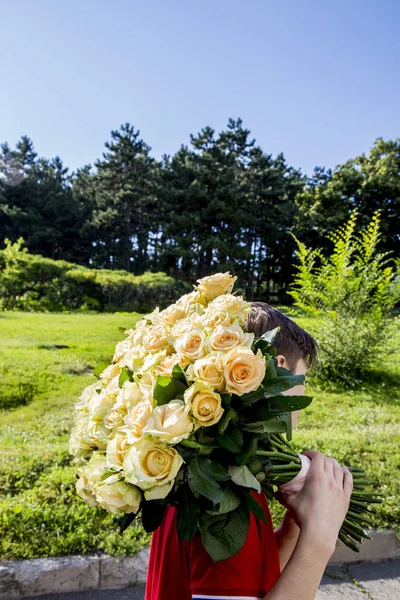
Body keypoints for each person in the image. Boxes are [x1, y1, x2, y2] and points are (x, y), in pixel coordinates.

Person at [145, 302, 353, 600]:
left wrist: (294, 529)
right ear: (280, 368)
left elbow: (251, 583)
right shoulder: (223, 499)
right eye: (301, 382)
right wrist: (320, 538)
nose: (304, 400)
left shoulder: (192, 471)